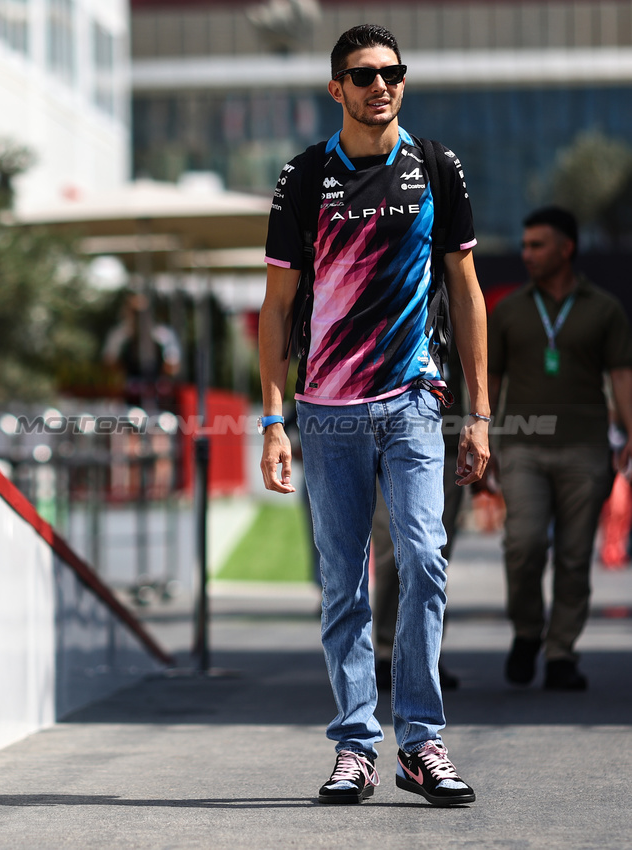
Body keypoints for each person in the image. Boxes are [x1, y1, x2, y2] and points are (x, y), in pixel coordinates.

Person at [257, 24, 490, 807]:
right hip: (324, 411)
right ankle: (355, 745)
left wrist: (481, 411)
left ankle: (420, 743)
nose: (379, 85)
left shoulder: (434, 167)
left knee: (423, 559)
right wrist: (269, 420)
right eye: (362, 76)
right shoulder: (302, 177)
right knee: (341, 583)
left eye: (391, 72)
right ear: (336, 90)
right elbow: (277, 305)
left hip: (413, 403)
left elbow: (464, 290)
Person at [486, 206, 632, 690]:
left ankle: (562, 652)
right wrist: (480, 431)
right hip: (522, 447)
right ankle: (528, 631)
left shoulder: (604, 308)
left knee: (574, 555)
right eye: (524, 245)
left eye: (537, 245)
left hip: (586, 450)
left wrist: (630, 432)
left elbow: (621, 375)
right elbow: (489, 376)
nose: (526, 254)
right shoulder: (508, 309)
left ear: (566, 249)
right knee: (523, 543)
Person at [372, 355, 465, 692]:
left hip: (447, 442)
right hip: (387, 435)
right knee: (391, 550)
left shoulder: (456, 309)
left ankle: (426, 654)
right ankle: (385, 651)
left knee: (431, 555)